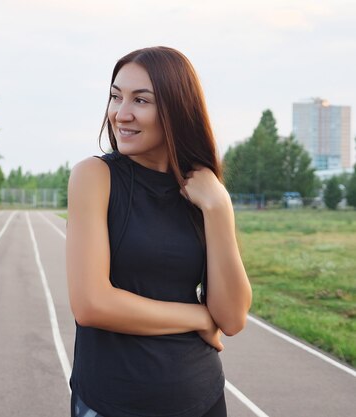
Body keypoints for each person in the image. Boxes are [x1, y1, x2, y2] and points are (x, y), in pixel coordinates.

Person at [65, 46, 252, 417]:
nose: (121, 113)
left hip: (201, 397)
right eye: (116, 97)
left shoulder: (203, 190)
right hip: (113, 402)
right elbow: (91, 304)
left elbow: (231, 318)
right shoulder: (94, 177)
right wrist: (198, 317)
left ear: (176, 109)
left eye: (141, 100)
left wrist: (219, 208)